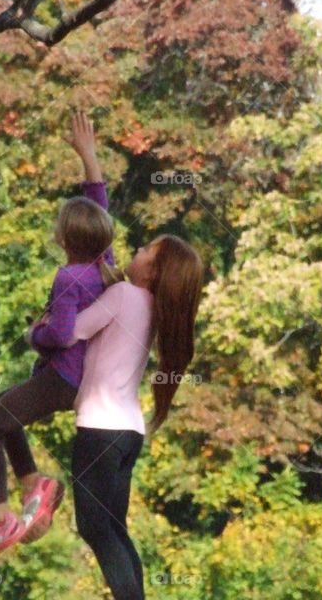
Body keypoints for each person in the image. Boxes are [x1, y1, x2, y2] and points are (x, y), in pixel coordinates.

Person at [0, 109, 120, 562]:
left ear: (65, 238)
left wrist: (36, 334)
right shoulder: (103, 263)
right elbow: (99, 205)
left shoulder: (68, 276)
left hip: (62, 379)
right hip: (73, 380)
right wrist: (88, 157)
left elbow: (62, 334)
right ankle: (34, 484)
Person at [34, 234, 204, 599]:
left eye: (146, 251)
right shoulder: (151, 307)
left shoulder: (125, 295)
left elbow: (70, 333)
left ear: (152, 271)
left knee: (95, 528)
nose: (137, 251)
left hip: (100, 429)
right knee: (114, 530)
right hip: (128, 433)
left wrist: (40, 325)